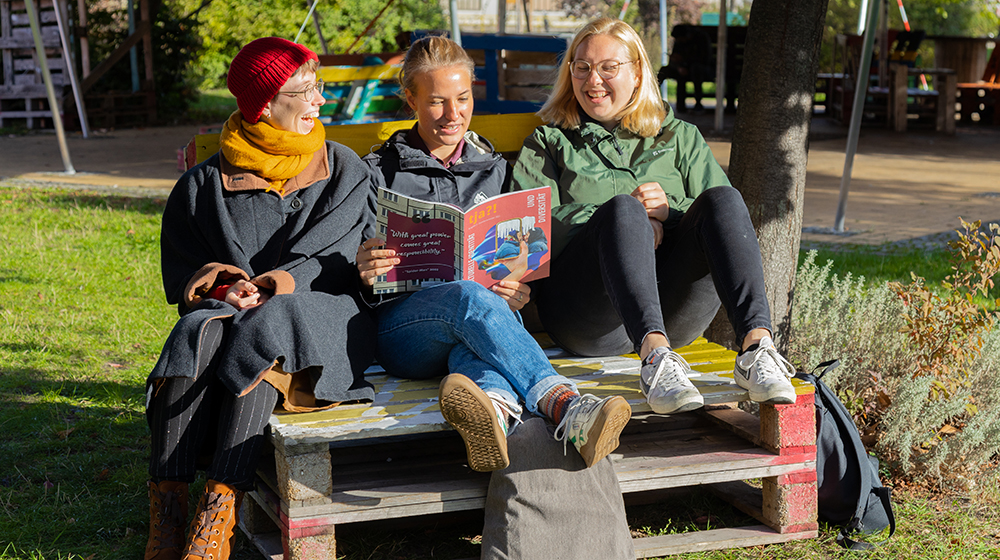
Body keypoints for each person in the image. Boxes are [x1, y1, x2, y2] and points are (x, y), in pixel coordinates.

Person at [144, 37, 376, 560]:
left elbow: (335, 260)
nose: (318, 101)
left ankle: (219, 508)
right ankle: (168, 507)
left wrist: (271, 285)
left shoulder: (342, 169)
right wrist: (228, 286)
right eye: (305, 91)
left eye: (317, 88)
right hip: (234, 314)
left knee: (269, 323)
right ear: (265, 104)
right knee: (195, 330)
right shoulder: (205, 185)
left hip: (324, 317)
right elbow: (186, 266)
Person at [357, 35, 631, 473]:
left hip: (481, 322)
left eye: (463, 98)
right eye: (437, 102)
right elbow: (348, 265)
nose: (453, 115)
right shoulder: (378, 171)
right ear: (410, 99)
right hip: (403, 333)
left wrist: (517, 288)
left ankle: (496, 416)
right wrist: (364, 266)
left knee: (477, 316)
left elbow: (518, 257)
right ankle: (564, 403)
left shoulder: (494, 168)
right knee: (467, 297)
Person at [510, 17, 797, 416]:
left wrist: (671, 214)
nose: (593, 80)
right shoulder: (549, 142)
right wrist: (621, 223)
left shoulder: (679, 137)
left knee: (724, 198)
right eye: (582, 67)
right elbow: (527, 228)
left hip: (674, 307)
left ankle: (756, 348)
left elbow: (723, 224)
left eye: (609, 67)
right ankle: (656, 361)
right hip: (588, 317)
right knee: (624, 210)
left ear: (638, 72)